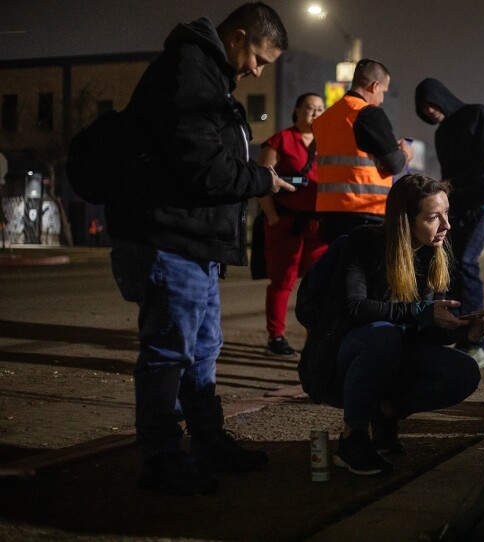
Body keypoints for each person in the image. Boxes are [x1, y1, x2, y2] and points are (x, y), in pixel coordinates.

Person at [104, 2, 294, 495]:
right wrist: (262, 179)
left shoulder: (208, 76)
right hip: (169, 237)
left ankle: (207, 440)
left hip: (193, 241)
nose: (256, 70)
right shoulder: (190, 72)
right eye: (258, 57)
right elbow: (202, 165)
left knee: (203, 348)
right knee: (169, 352)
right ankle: (163, 459)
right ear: (238, 36)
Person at [298, 174, 484, 475]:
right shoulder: (365, 242)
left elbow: (422, 330)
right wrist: (422, 312)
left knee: (464, 371)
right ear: (405, 220)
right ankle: (352, 439)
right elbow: (355, 307)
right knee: (382, 335)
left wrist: (459, 329)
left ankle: (384, 412)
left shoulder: (431, 254)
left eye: (446, 213)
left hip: (391, 357)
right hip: (338, 364)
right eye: (434, 217)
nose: (446, 226)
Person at [414, 78, 484, 369]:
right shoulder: (442, 133)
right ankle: (456, 336)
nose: (430, 111)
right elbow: (448, 174)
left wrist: (461, 184)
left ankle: (476, 343)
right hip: (459, 205)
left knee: (467, 260)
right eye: (423, 109)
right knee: (450, 264)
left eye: (431, 103)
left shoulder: (478, 115)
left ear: (441, 97)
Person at [256, 93, 328, 356]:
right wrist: (272, 216)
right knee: (282, 280)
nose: (315, 113)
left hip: (317, 225)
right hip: (285, 221)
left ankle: (315, 337)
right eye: (310, 108)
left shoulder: (328, 142)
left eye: (321, 109)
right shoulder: (280, 139)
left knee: (318, 282)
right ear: (297, 110)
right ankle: (276, 338)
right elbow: (262, 180)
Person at [311, 58, 414, 242]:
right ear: (375, 86)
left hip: (328, 211)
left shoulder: (324, 118)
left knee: (340, 266)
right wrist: (406, 153)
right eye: (383, 92)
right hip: (364, 209)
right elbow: (395, 164)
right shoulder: (368, 113)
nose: (382, 99)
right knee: (364, 268)